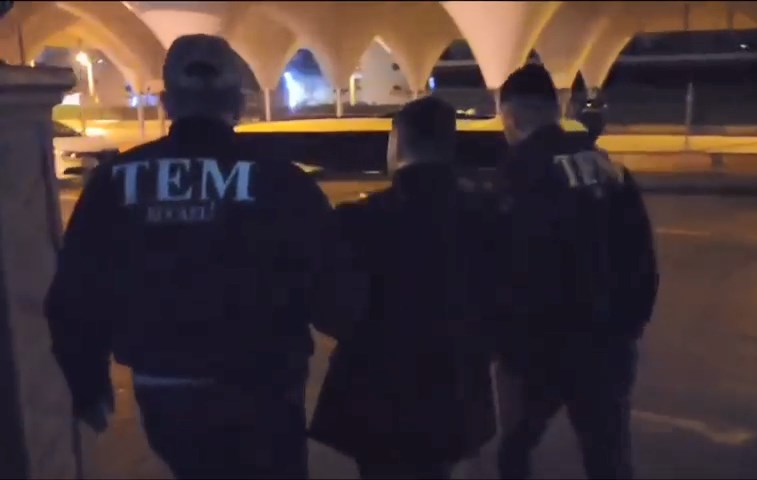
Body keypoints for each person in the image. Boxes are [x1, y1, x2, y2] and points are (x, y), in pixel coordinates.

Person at [45, 34, 363, 479]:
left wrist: (88, 382)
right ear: (237, 102)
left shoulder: (114, 181)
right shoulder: (281, 180)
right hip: (263, 389)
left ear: (167, 104)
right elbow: (330, 288)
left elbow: (76, 291)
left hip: (166, 391)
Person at [309, 97, 499, 479]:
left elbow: (327, 305)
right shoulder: (487, 216)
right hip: (455, 386)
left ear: (397, 143)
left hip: (376, 393)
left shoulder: (359, 220)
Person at [492, 63, 659, 480]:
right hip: (608, 345)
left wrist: (504, 343)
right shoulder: (606, 166)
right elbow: (641, 256)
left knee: (513, 451)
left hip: (538, 351)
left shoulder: (518, 173)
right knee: (608, 456)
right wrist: (629, 327)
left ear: (510, 116)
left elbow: (506, 265)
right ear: (556, 109)